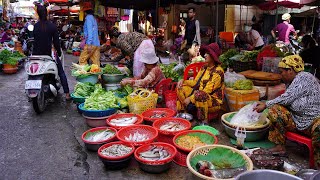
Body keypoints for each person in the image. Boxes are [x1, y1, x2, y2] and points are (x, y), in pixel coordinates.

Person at [254, 55, 320, 169]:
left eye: (282, 72)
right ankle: (280, 146)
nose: (281, 75)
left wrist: (265, 104)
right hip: (297, 120)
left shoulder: (304, 77)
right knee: (275, 110)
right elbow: (286, 99)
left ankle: (317, 167)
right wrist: (270, 104)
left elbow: (288, 97)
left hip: (313, 122)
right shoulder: (291, 82)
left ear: (290, 70)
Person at [176, 43, 224, 123]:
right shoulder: (204, 67)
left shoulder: (218, 72)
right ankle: (185, 113)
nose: (205, 55)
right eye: (205, 53)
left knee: (200, 95)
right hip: (198, 95)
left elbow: (206, 91)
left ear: (213, 56)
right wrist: (183, 81)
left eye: (207, 53)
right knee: (181, 87)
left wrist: (190, 98)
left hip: (213, 101)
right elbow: (195, 83)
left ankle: (204, 121)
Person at [32, 5, 70, 100]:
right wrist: (59, 53)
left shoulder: (36, 26)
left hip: (36, 54)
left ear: (38, 14)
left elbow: (35, 40)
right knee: (61, 72)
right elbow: (57, 43)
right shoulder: (52, 26)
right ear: (47, 13)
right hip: (48, 54)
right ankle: (67, 94)